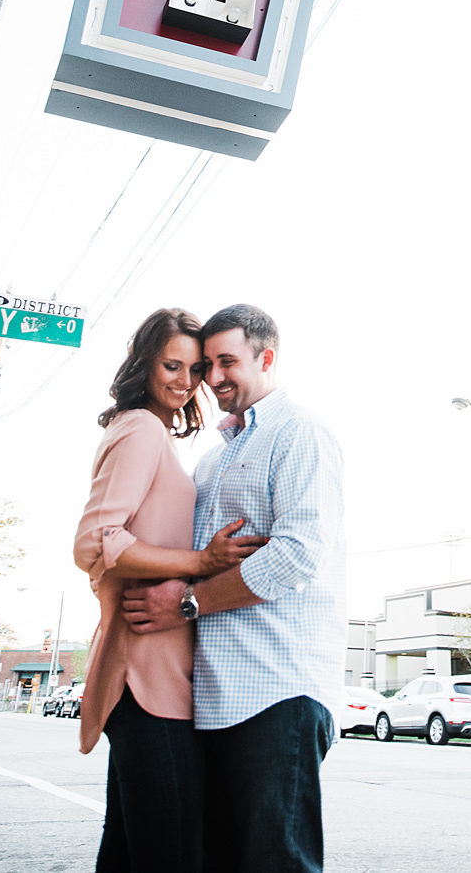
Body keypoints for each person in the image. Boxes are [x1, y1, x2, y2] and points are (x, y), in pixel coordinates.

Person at [122, 303, 346, 873]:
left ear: (265, 358)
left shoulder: (301, 434)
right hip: (213, 700)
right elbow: (198, 560)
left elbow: (296, 556)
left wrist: (187, 604)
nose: (213, 378)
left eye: (227, 362)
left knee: (276, 863)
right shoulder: (212, 462)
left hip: (278, 690)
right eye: (206, 365)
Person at [74, 307, 266, 873]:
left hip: (160, 678)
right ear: (145, 364)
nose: (186, 381)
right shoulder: (139, 429)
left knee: (132, 851)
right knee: (174, 852)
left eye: (196, 368)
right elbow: (95, 541)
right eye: (172, 365)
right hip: (144, 677)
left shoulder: (156, 437)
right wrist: (202, 561)